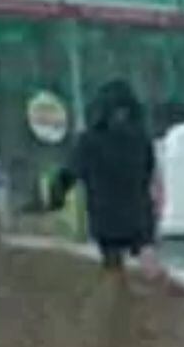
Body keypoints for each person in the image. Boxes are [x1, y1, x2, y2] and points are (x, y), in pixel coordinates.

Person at [49, 80, 161, 276]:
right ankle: (155, 297)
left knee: (113, 267)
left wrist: (55, 198)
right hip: (139, 214)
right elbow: (149, 172)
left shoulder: (89, 141)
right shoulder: (140, 138)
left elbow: (69, 174)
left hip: (106, 217)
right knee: (147, 256)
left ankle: (121, 299)